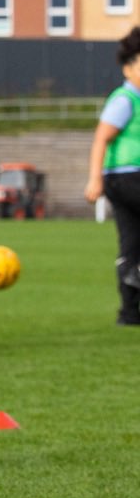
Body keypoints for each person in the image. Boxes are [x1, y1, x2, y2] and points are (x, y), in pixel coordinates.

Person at [84, 26, 140, 326]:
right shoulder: (125, 100)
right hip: (128, 177)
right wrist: (94, 178)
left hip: (122, 180)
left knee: (130, 243)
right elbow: (101, 138)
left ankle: (130, 312)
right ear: (128, 67)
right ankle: (137, 272)